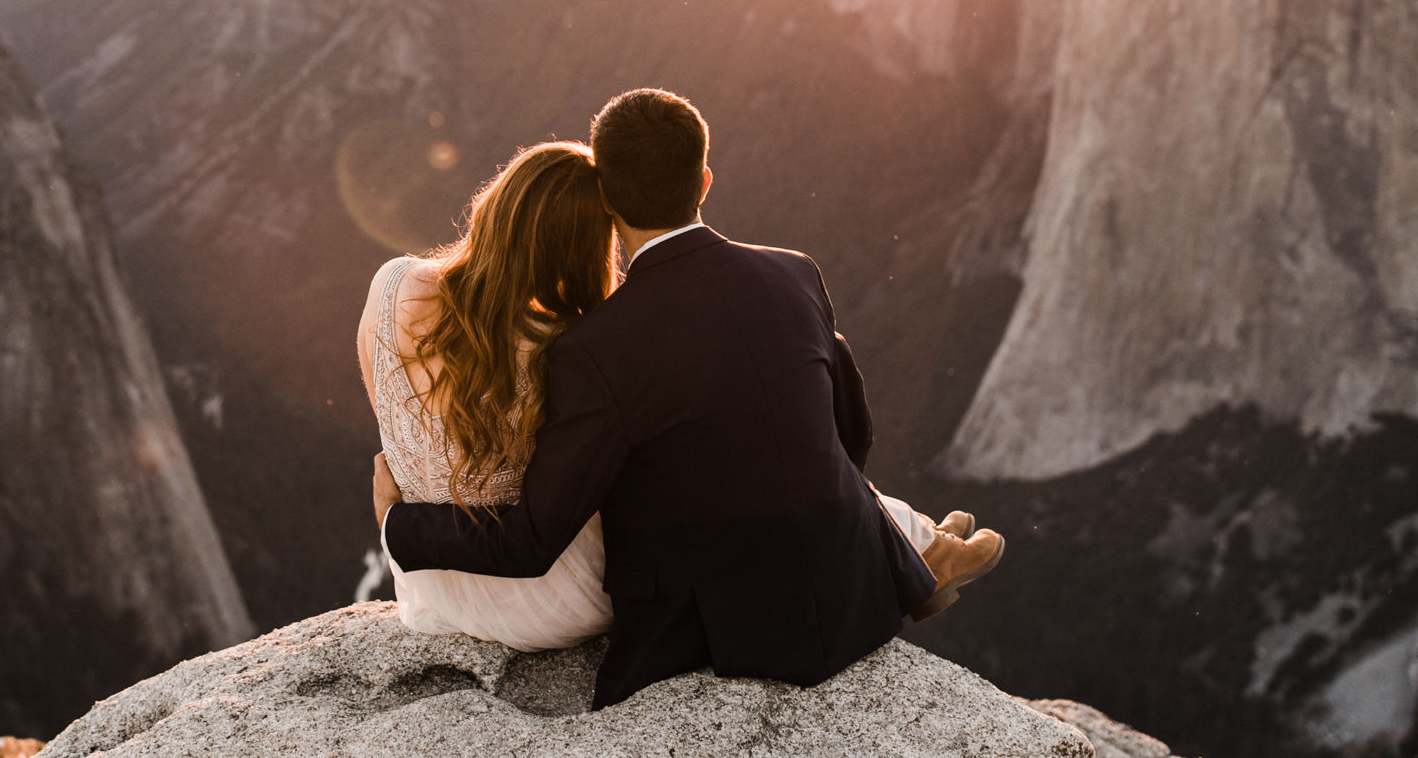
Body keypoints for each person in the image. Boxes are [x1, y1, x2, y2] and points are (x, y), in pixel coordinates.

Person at [378, 86, 1003, 708]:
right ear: (703, 181)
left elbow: (530, 540)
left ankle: (924, 547)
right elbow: (851, 431)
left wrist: (398, 521)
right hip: (847, 595)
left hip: (711, 633)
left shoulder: (595, 348)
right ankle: (917, 550)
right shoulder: (795, 272)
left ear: (605, 197)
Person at [357, 139, 616, 647]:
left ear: (495, 206)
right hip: (558, 601)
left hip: (432, 586)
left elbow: (392, 425)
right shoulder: (561, 348)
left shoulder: (392, 285)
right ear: (583, 250)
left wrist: (394, 517)